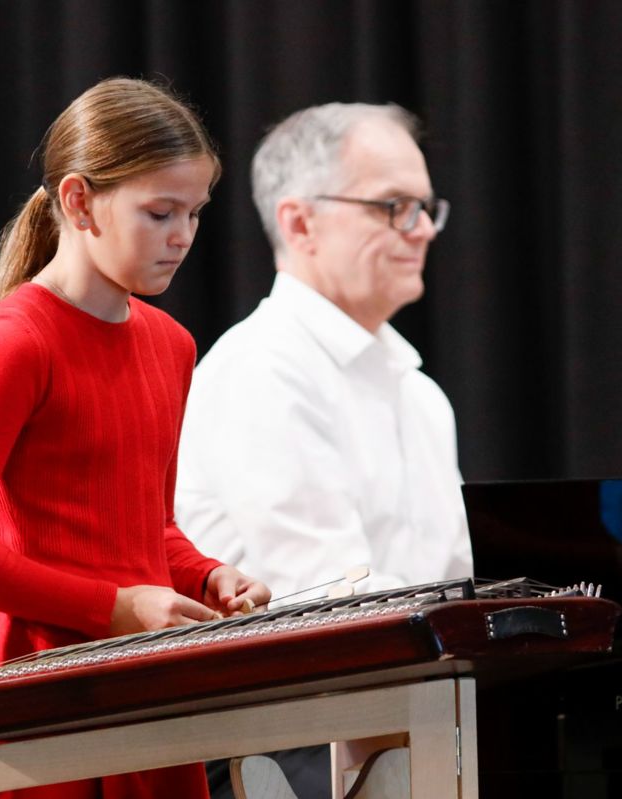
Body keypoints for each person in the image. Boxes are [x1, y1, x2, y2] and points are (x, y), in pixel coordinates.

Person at [0, 77, 269, 799]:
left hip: (140, 682)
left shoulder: (171, 344)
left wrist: (204, 576)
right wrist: (114, 607)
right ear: (77, 201)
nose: (182, 236)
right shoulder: (17, 341)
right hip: (35, 695)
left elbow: (144, 526)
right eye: (159, 213)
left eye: (194, 213)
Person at [174, 102, 471, 799]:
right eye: (393, 206)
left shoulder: (421, 395)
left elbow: (456, 587)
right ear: (299, 222)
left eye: (425, 207)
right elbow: (332, 609)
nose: (423, 229)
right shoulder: (261, 369)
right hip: (280, 736)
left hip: (402, 713)